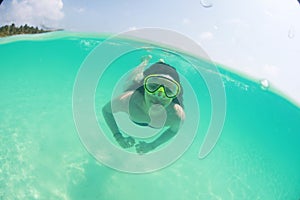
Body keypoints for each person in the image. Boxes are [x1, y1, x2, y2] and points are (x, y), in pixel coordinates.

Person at [102, 56, 185, 154]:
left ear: (174, 95)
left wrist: (152, 146)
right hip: (136, 88)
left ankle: (158, 66)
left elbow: (173, 131)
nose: (159, 95)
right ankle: (145, 61)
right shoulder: (127, 101)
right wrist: (118, 137)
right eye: (153, 86)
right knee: (134, 79)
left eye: (169, 90)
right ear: (144, 87)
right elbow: (106, 111)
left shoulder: (176, 115)